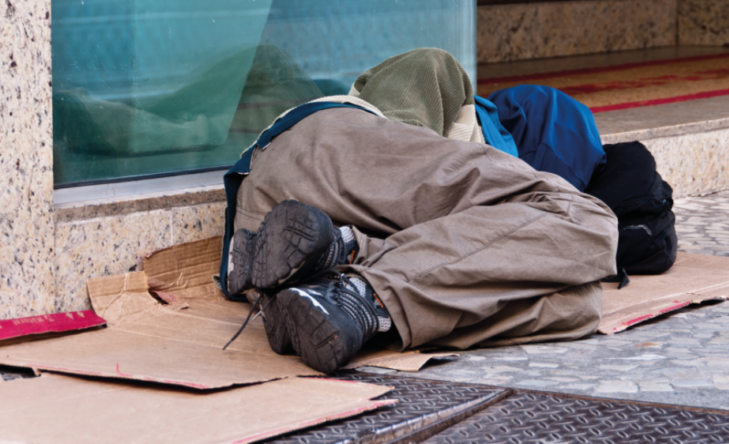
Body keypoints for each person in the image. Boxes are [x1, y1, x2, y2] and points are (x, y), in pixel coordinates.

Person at [221, 48, 618, 374]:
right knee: (587, 221)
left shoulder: (485, 197)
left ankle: (342, 277)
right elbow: (426, 72)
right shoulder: (451, 126)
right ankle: (361, 282)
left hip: (276, 234)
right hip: (319, 158)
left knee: (580, 305)